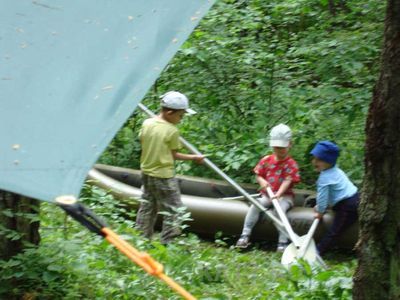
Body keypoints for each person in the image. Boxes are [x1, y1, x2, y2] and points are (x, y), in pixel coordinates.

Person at [136, 91, 204, 244]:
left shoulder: (147, 123)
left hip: (146, 171)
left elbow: (143, 141)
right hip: (163, 175)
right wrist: (194, 158)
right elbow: (174, 155)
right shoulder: (171, 130)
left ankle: (140, 238)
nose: (180, 120)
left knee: (147, 205)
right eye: (180, 116)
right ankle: (168, 242)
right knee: (175, 209)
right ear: (169, 112)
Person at [236, 124, 301, 251]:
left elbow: (288, 180)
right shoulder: (266, 160)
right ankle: (245, 235)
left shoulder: (291, 164)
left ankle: (282, 242)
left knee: (279, 211)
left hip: (284, 196)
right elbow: (258, 175)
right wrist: (262, 182)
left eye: (282, 148)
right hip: (267, 194)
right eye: (276, 147)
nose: (279, 150)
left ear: (289, 145)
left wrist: (279, 194)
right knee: (256, 205)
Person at [310, 141, 359, 255]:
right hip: (354, 197)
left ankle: (318, 252)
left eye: (319, 160)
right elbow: (334, 195)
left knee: (335, 231)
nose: (314, 162)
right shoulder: (336, 170)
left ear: (329, 161)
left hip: (348, 206)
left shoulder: (325, 178)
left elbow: (322, 198)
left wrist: (320, 212)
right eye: (314, 158)